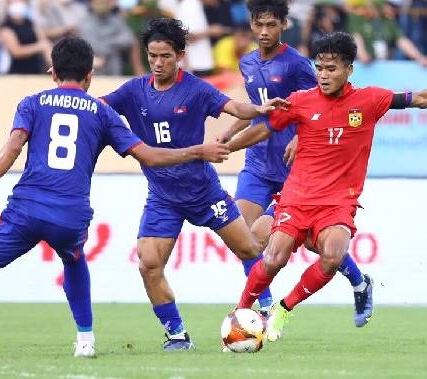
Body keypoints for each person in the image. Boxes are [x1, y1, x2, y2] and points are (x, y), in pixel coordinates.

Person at [0, 36, 231, 358]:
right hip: (70, 216)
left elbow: (12, 148)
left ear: (52, 72)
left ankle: (86, 337)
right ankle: (85, 340)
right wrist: (198, 151)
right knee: (73, 258)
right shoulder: (101, 112)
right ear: (89, 76)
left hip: (26, 209)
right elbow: (150, 156)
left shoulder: (32, 103)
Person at [101, 17, 288, 351]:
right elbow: (99, 107)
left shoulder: (196, 89)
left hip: (204, 192)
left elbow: (232, 106)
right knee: (148, 263)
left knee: (248, 249)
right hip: (163, 197)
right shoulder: (133, 91)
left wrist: (258, 108)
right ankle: (176, 334)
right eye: (152, 56)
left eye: (165, 57)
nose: (158, 63)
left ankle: (267, 307)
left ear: (181, 56)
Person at [228, 31, 426, 341]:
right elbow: (265, 129)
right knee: (274, 258)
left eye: (331, 68)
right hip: (296, 196)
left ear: (349, 69)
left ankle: (282, 309)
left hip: (337, 200)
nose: (323, 75)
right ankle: (240, 313)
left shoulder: (371, 99)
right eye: (319, 67)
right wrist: (229, 147)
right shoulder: (300, 101)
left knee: (333, 255)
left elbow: (419, 99)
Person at [219, 0, 373, 328]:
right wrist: (227, 138)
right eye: (258, 24)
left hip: (296, 168)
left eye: (271, 25)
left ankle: (358, 280)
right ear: (250, 24)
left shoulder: (297, 64)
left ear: (284, 25)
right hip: (259, 164)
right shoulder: (247, 62)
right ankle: (263, 305)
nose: (264, 31)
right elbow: (256, 109)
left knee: (308, 240)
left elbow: (319, 104)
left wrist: (299, 137)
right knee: (241, 235)